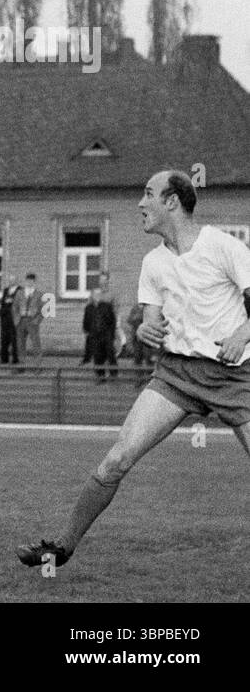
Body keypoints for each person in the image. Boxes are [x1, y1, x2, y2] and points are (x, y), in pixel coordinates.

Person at [18, 170, 250, 569]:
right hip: (177, 374)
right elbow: (151, 321)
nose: (140, 204)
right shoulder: (153, 262)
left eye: (148, 195)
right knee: (116, 459)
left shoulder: (224, 247)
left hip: (236, 377)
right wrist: (145, 327)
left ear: (172, 201)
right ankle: (61, 546)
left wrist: (243, 333)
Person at [82, 287, 117, 382]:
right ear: (92, 296)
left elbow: (112, 321)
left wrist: (112, 334)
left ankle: (113, 374)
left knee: (110, 355)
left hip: (106, 335)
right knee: (98, 356)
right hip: (94, 335)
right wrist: (87, 331)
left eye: (99, 294)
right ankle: (100, 376)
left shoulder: (107, 306)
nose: (97, 296)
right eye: (95, 294)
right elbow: (86, 321)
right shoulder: (88, 308)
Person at [13, 272, 45, 371]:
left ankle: (37, 366)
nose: (29, 283)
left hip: (32, 321)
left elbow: (42, 310)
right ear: (25, 281)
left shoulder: (39, 294)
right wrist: (16, 319)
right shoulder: (19, 293)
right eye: (28, 281)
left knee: (36, 344)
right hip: (21, 321)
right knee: (20, 344)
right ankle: (22, 365)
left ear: (34, 282)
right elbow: (14, 307)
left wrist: (37, 321)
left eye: (31, 281)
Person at [0, 278, 20, 366]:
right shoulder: (6, 290)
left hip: (14, 317)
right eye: (10, 280)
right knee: (4, 338)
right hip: (4, 317)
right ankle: (4, 358)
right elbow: (2, 302)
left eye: (12, 280)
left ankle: (15, 359)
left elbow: (19, 302)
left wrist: (11, 301)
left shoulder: (20, 290)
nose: (11, 282)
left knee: (14, 338)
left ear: (16, 281)